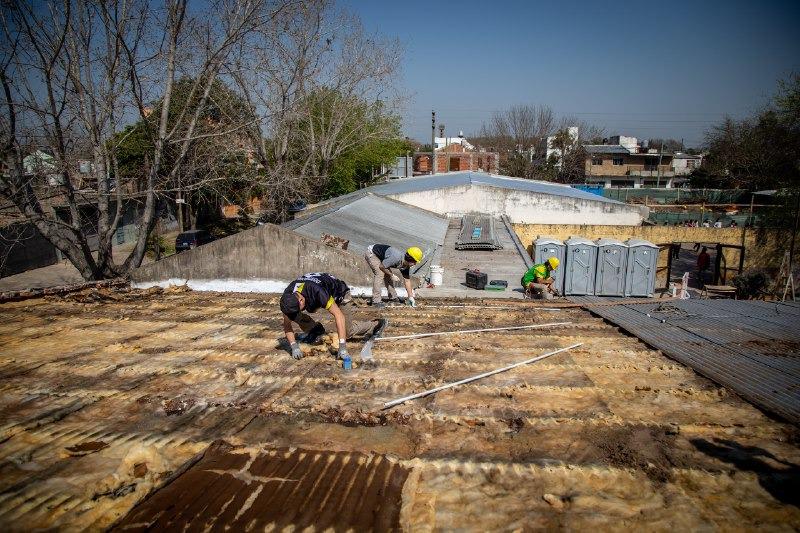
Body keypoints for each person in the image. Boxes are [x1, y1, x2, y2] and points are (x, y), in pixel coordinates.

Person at [280, 272, 386, 360]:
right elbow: (287, 324)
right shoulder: (287, 298)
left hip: (340, 293)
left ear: (301, 300)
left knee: (347, 332)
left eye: (298, 308)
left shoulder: (318, 292)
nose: (297, 311)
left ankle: (376, 324)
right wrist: (294, 346)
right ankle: (316, 330)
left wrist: (342, 347)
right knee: (294, 315)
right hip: (316, 293)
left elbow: (338, 315)